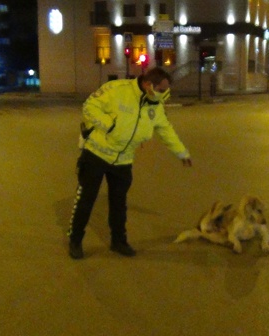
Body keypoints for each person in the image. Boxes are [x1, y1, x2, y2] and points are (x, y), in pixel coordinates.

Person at [67, 67, 192, 259]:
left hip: (124, 160)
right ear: (148, 85)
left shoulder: (155, 104)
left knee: (119, 204)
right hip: (96, 154)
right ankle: (75, 240)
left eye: (166, 90)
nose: (164, 94)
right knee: (86, 200)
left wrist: (181, 152)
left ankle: (118, 241)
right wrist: (109, 125)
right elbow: (89, 107)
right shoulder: (117, 89)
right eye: (161, 89)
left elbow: (165, 129)